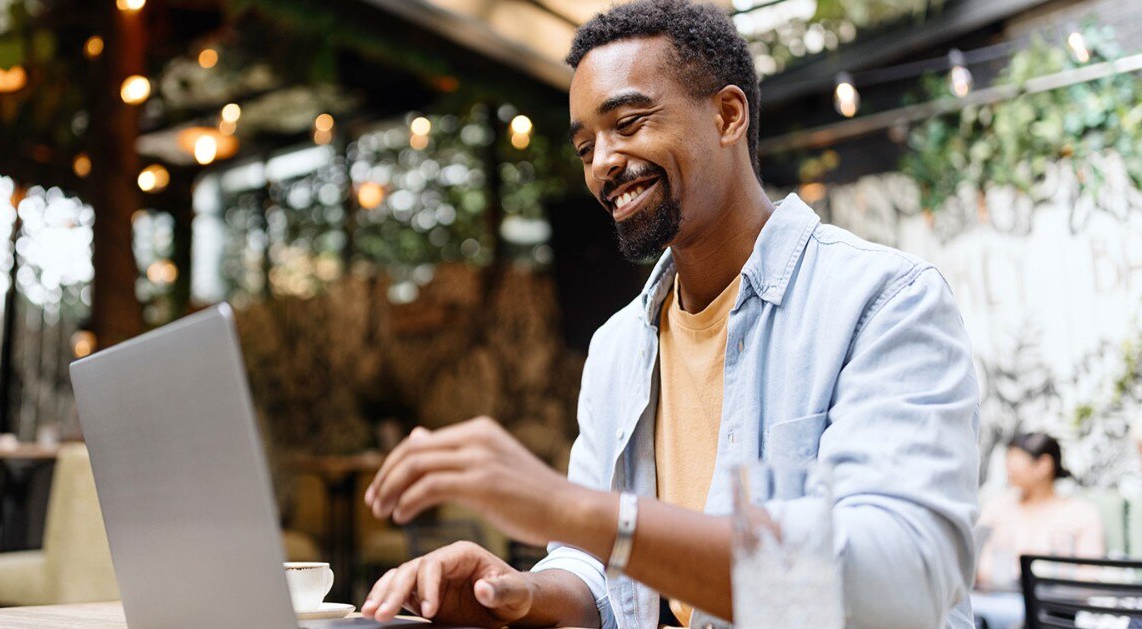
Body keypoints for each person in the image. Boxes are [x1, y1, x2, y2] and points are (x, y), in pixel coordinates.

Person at [361, 1, 980, 627]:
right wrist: (521, 596)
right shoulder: (616, 348)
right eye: (584, 147)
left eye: (628, 122)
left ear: (728, 115)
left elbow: (898, 581)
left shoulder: (884, 300)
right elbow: (594, 570)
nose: (602, 162)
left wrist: (568, 507)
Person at [974, 432, 1104, 590]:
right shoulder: (996, 507)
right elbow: (976, 564)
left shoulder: (1081, 513)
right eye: (1008, 461)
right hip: (998, 602)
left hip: (1056, 607)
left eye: (1014, 461)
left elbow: (1089, 574)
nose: (1008, 468)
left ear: (1044, 465)